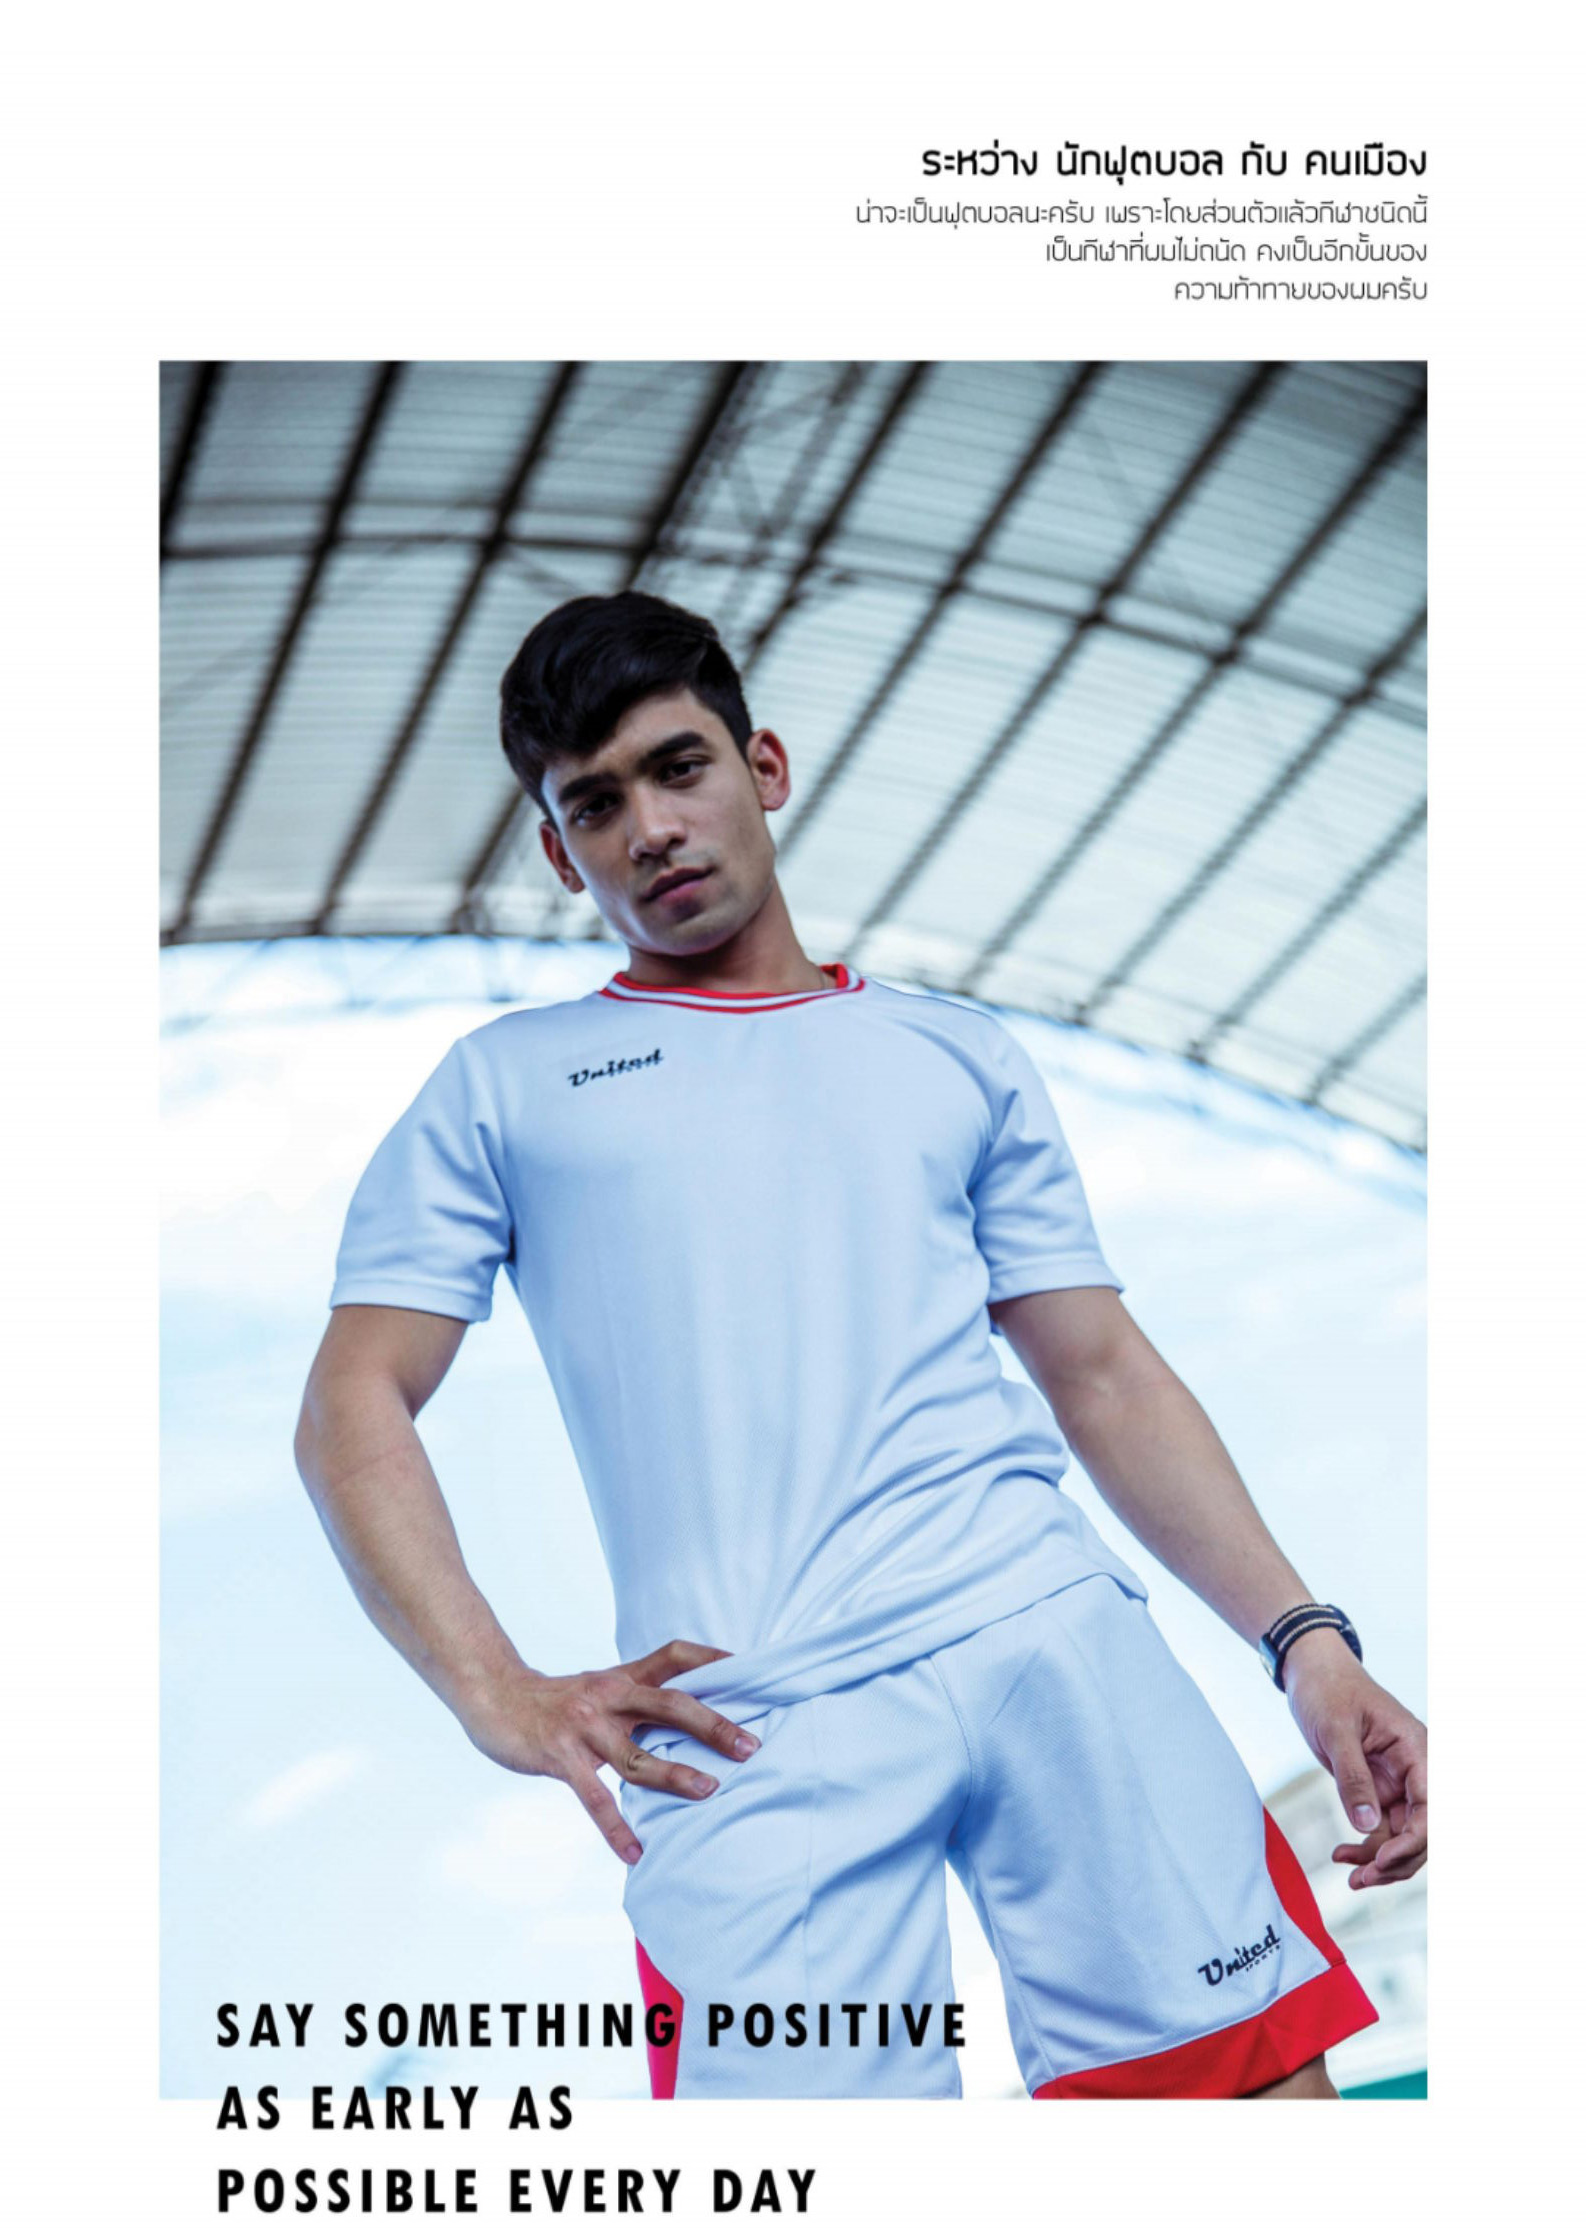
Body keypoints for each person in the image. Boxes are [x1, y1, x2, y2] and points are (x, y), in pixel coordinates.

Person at [295, 591, 1427, 2100]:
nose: (651, 827)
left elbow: (1100, 1373)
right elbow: (352, 1400)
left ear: (762, 766)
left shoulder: (956, 1053)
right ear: (561, 855)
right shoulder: (505, 1085)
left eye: (678, 767)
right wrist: (493, 1688)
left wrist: (1307, 1642)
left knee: (1258, 2136)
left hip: (1045, 1633)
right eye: (596, 804)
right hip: (749, 1721)